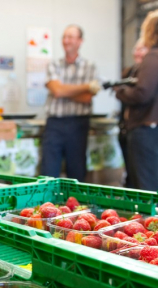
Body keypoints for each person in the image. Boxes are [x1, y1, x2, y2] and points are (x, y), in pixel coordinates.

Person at [116, 10, 158, 191]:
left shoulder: (154, 57)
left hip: (148, 128)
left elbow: (142, 93)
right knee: (157, 178)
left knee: (145, 183)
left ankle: (150, 219)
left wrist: (120, 91)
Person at [42, 25, 100, 181]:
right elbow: (57, 91)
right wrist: (86, 87)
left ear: (80, 41)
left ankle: (75, 205)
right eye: (64, 37)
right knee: (49, 172)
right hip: (54, 124)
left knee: (77, 172)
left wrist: (63, 90)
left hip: (78, 124)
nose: (66, 40)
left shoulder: (90, 66)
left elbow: (87, 98)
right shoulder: (53, 64)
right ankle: (48, 206)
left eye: (71, 37)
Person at [119, 39, 148, 188]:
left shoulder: (149, 73)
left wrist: (122, 91)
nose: (138, 52)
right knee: (131, 171)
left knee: (144, 175)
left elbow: (138, 96)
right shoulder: (129, 71)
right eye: (136, 49)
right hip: (127, 128)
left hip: (143, 129)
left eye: (142, 49)